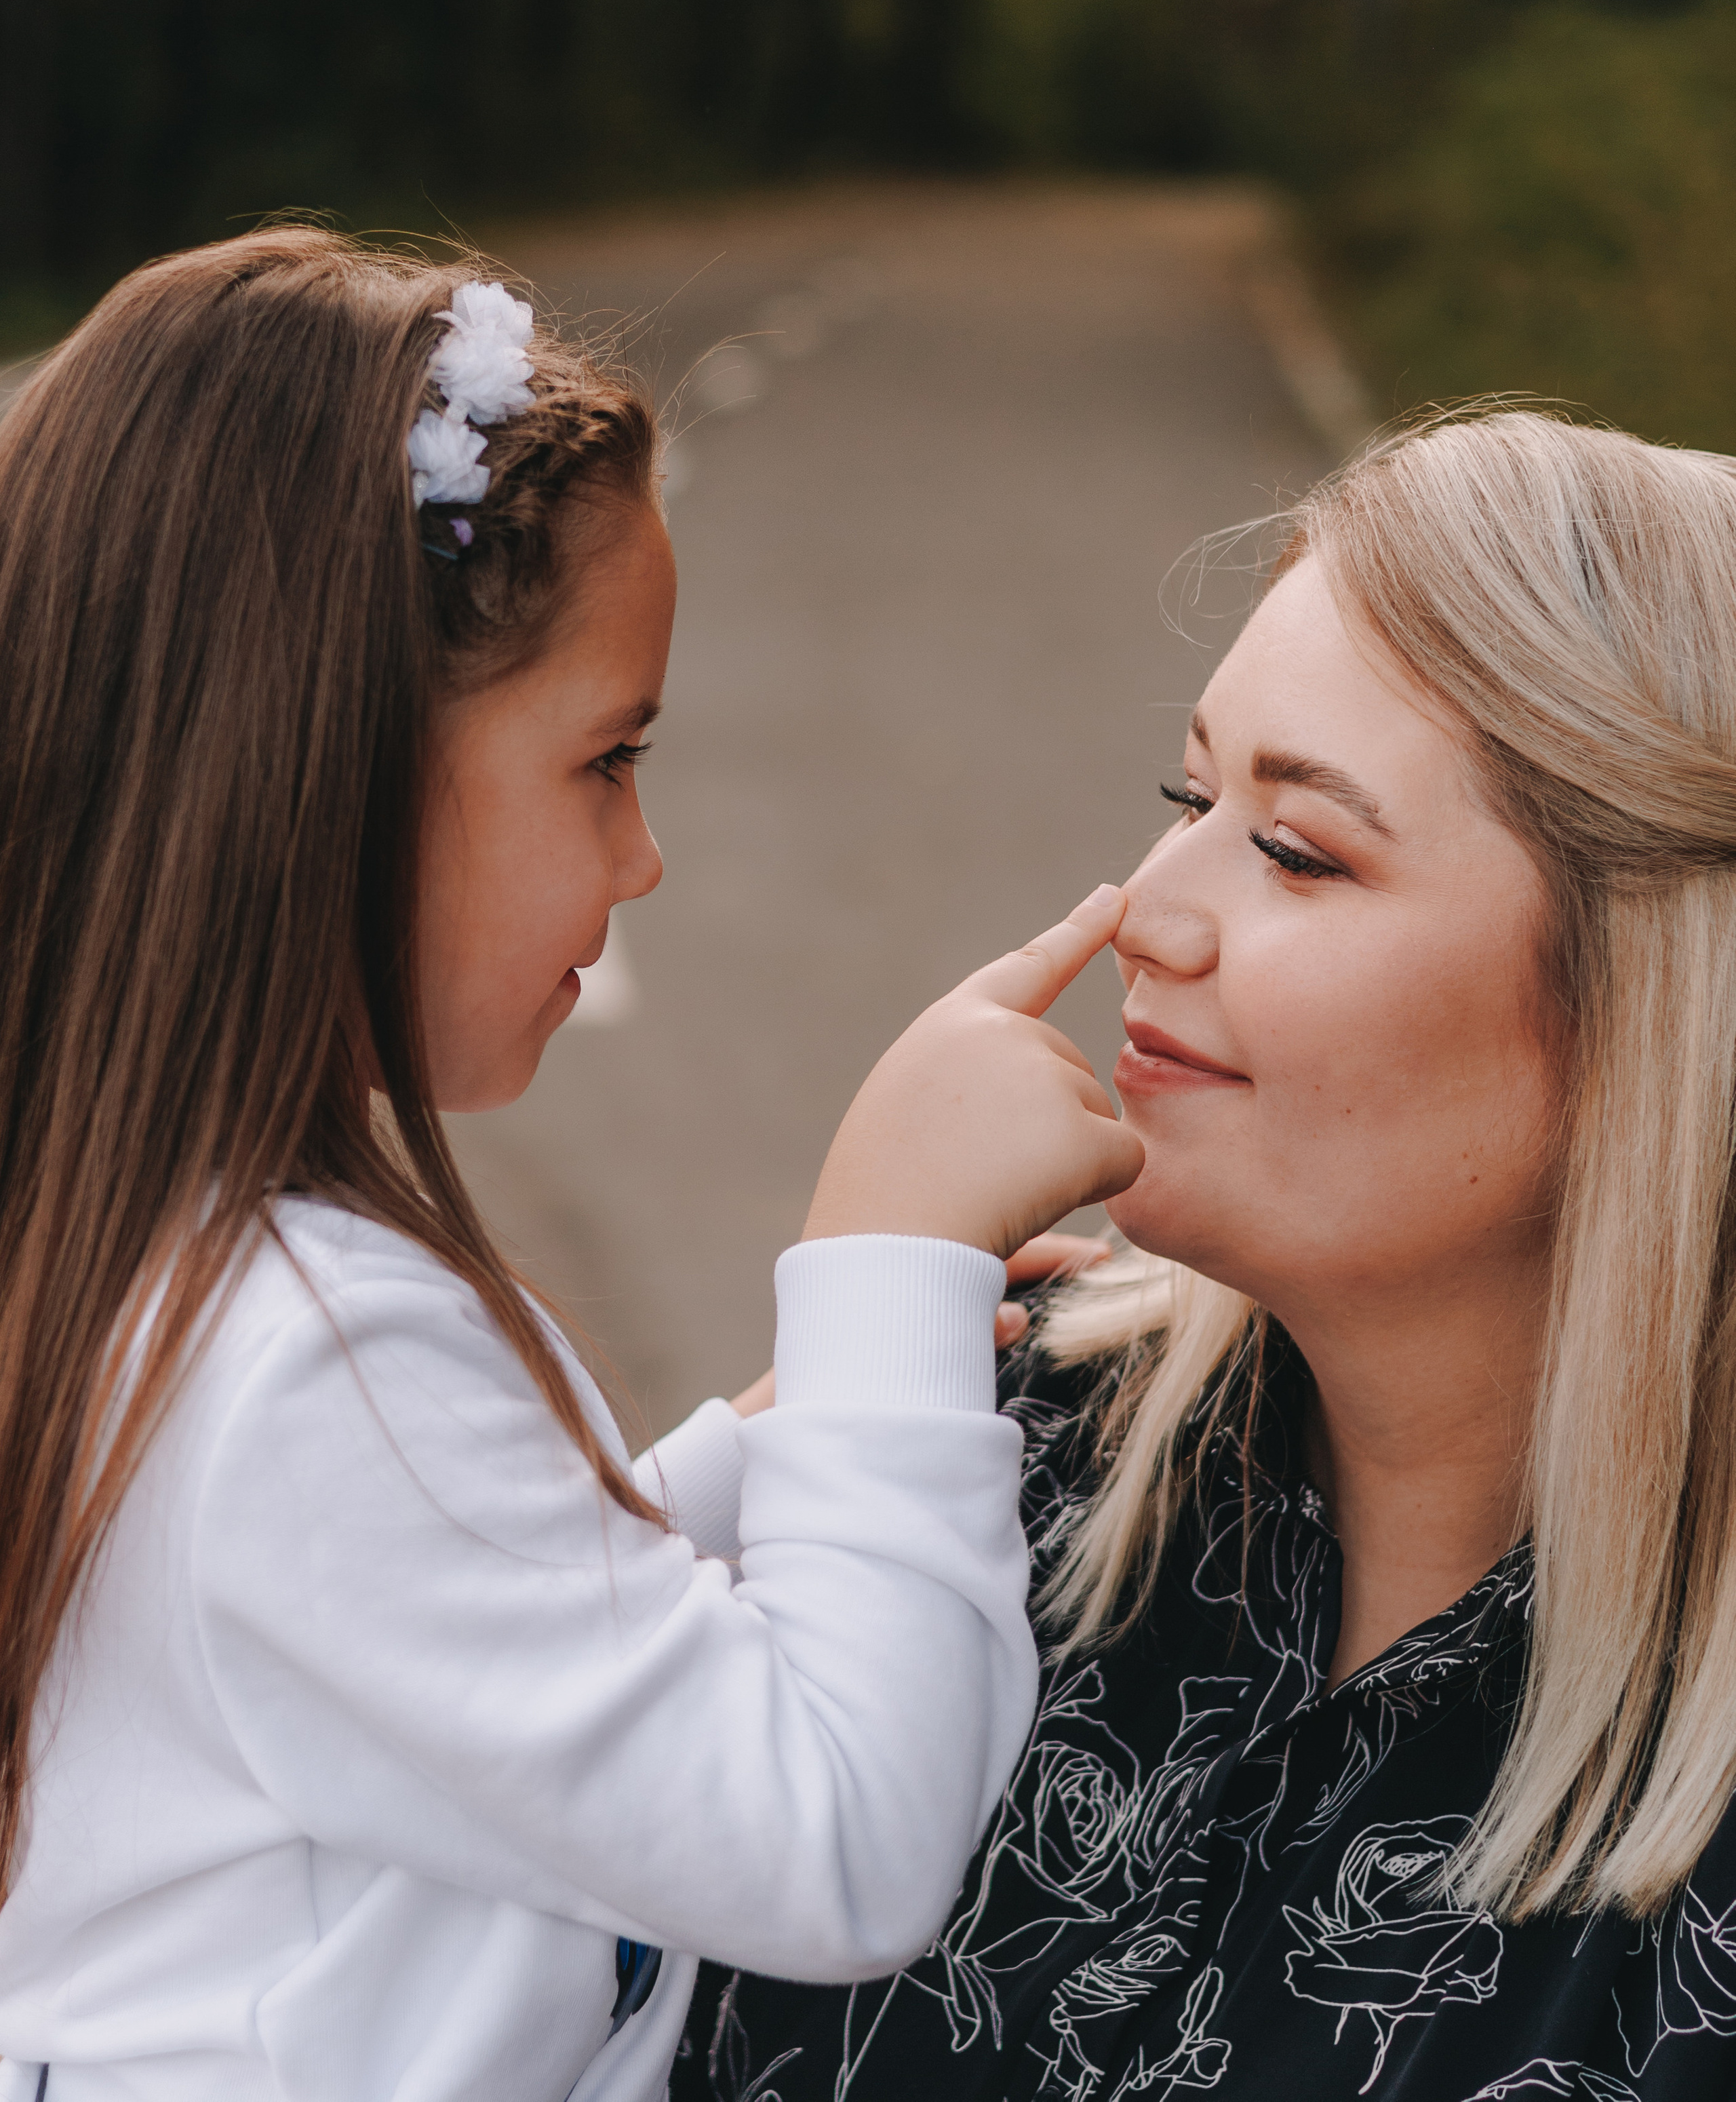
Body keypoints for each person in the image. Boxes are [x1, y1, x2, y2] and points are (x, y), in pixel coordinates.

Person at [0, 227, 1145, 2102]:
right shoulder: (310, 1357)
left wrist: (800, 1438)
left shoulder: (150, 1276)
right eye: (605, 760)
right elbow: (838, 1842)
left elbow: (441, 1640)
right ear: (337, 764)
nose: (643, 856)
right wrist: (891, 1246)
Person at [677, 406, 1736, 2102]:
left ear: (1651, 1008)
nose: (1145, 914)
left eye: (1298, 851)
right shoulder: (962, 1435)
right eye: (1187, 794)